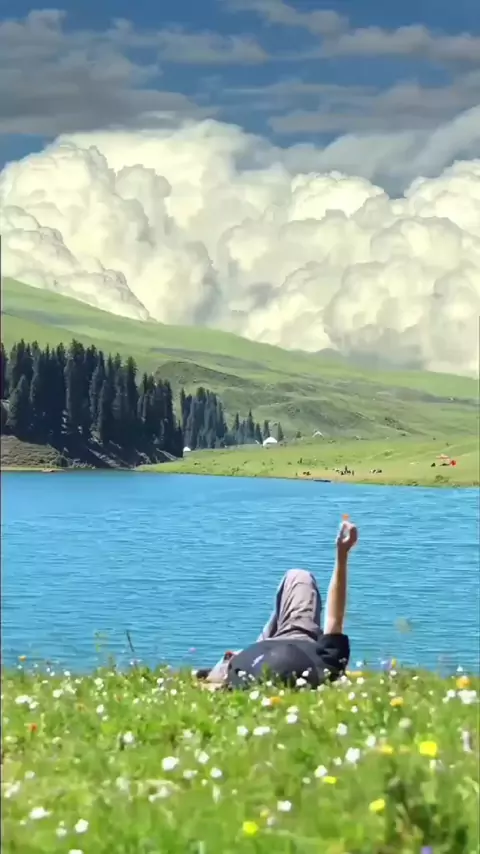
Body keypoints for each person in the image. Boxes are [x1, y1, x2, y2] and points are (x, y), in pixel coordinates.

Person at [197, 520, 358, 690]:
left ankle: (226, 663)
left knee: (298, 577)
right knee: (299, 576)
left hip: (269, 648)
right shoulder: (323, 667)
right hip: (291, 642)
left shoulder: (240, 674)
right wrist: (342, 553)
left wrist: (342, 553)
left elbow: (334, 620)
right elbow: (334, 620)